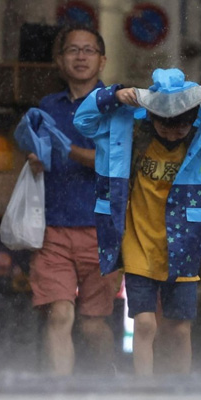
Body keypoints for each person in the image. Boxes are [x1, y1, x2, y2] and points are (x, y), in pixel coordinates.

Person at [74, 68, 201, 375]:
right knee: (144, 323)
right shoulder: (127, 126)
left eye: (181, 127)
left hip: (183, 244)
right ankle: (144, 389)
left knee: (179, 328)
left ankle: (180, 388)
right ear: (151, 117)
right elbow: (84, 121)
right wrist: (113, 95)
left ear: (193, 120)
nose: (172, 133)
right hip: (137, 244)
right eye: (164, 125)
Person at [25, 26, 119, 375]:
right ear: (59, 61)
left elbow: (113, 163)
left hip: (101, 229)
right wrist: (38, 159)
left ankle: (106, 379)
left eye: (89, 50)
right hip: (52, 228)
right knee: (60, 314)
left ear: (102, 59)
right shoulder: (48, 106)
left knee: (93, 324)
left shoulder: (113, 106)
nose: (80, 57)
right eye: (72, 50)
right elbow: (41, 152)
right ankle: (59, 394)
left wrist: (70, 151)